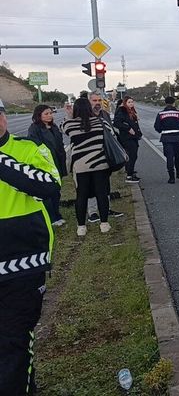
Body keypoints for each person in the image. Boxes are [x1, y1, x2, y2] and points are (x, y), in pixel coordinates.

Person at [0, 98, 60, 395]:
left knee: (13, 342)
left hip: (21, 265)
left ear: (5, 118)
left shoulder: (28, 149)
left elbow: (49, 184)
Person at [62, 98, 114, 236]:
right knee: (101, 194)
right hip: (100, 164)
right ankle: (104, 224)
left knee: (81, 196)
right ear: (90, 109)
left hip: (80, 166)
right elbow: (111, 133)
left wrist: (69, 115)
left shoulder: (70, 124)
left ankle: (81, 227)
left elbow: (63, 128)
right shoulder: (100, 122)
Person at [85, 92, 123, 222]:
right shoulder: (84, 117)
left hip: (105, 155)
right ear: (89, 102)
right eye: (94, 100)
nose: (97, 103)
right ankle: (92, 212)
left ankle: (105, 209)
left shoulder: (105, 114)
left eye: (99, 100)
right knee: (91, 185)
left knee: (105, 184)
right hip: (90, 156)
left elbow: (111, 133)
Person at [27, 104, 67, 226]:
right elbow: (34, 146)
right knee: (47, 192)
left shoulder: (53, 127)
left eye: (50, 113)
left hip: (57, 163)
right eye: (46, 114)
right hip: (44, 165)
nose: (49, 116)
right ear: (39, 115)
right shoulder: (34, 129)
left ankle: (56, 214)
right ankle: (51, 217)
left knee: (56, 190)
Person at [154, 96, 179, 184]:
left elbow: (157, 127)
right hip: (177, 137)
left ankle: (171, 178)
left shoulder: (161, 114)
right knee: (177, 155)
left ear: (165, 103)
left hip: (166, 138)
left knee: (169, 157)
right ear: (173, 103)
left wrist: (163, 130)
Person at [113, 96, 142, 183]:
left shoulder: (131, 111)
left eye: (132, 102)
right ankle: (129, 176)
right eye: (129, 102)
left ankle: (131, 172)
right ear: (125, 103)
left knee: (133, 155)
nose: (131, 104)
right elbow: (117, 123)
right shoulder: (122, 110)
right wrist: (128, 128)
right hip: (127, 137)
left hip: (133, 137)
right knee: (132, 155)